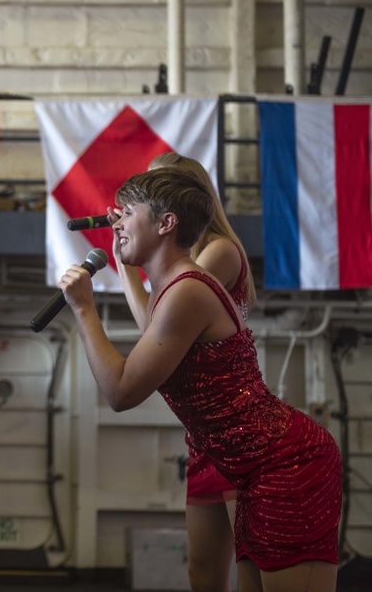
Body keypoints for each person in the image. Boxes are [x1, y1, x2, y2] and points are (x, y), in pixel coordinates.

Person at [58, 167, 341, 592]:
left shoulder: (187, 291)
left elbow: (120, 391)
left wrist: (84, 310)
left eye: (127, 213)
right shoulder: (172, 289)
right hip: (250, 470)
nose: (116, 223)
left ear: (166, 223)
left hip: (287, 465)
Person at [111, 152, 255, 592]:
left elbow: (157, 329)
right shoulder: (182, 261)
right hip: (205, 437)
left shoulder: (219, 253)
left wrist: (125, 268)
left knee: (252, 570)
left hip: (240, 434)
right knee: (202, 573)